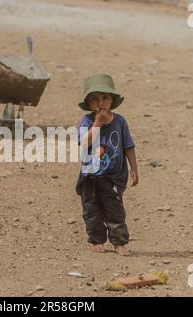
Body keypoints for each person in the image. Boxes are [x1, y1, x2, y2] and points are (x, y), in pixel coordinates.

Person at [76, 73, 139, 256]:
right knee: (92, 210)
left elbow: (128, 146)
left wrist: (134, 168)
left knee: (115, 211)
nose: (100, 103)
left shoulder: (120, 121)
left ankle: (119, 242)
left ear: (112, 101)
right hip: (90, 176)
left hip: (113, 177)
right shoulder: (87, 121)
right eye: (95, 99)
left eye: (105, 98)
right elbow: (84, 143)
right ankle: (97, 241)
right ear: (89, 104)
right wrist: (97, 123)